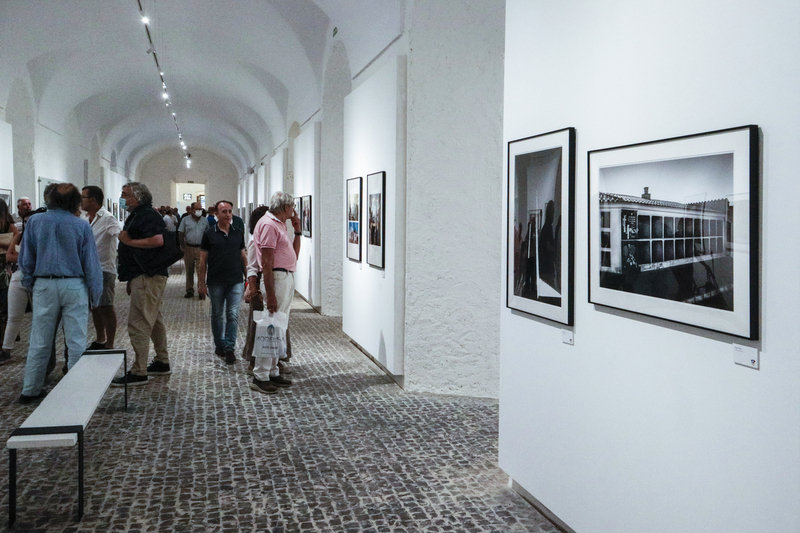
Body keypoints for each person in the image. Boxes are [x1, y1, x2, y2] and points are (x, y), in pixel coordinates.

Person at [17, 183, 103, 403]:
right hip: (74, 284)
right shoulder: (81, 226)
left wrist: (29, 283)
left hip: (44, 283)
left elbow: (26, 258)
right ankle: (75, 390)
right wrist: (95, 294)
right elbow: (91, 263)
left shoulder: (35, 222)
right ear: (75, 201)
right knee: (76, 340)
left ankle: (30, 389)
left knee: (39, 339)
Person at [111, 182, 171, 386]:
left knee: (139, 322)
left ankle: (139, 370)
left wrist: (128, 242)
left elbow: (157, 241)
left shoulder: (147, 215)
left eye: (125, 194)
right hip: (143, 276)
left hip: (148, 275)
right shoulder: (139, 214)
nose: (121, 197)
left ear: (137, 197)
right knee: (154, 320)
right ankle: (162, 361)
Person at [249, 191, 299, 394]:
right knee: (269, 327)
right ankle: (260, 375)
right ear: (286, 207)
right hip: (276, 278)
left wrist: (298, 231)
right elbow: (267, 262)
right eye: (292, 207)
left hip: (284, 276)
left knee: (278, 326)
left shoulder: (278, 223)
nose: (294, 211)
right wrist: (269, 294)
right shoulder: (269, 224)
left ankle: (272, 370)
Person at [197, 200, 246, 365]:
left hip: (235, 280)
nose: (227, 214)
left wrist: (249, 279)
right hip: (216, 280)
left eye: (229, 211)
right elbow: (202, 260)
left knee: (232, 314)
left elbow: (243, 257)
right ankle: (219, 344)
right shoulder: (209, 234)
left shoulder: (238, 233)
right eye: (223, 211)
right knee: (217, 314)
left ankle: (229, 348)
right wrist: (201, 283)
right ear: (216, 214)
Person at [81, 186, 121, 350]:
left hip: (104, 270)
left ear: (92, 200)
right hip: (87, 270)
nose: (80, 200)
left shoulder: (108, 218)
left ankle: (110, 344)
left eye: (83, 197)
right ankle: (100, 339)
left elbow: (118, 234)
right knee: (94, 307)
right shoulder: (84, 219)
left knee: (106, 306)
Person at [177, 201, 208, 299]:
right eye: (197, 209)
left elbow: (208, 234)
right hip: (189, 247)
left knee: (201, 270)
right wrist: (182, 247)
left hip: (201, 248)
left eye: (201, 209)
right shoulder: (185, 220)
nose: (199, 211)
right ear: (192, 210)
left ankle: (201, 289)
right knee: (189, 270)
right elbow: (180, 233)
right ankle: (189, 290)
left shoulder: (205, 221)